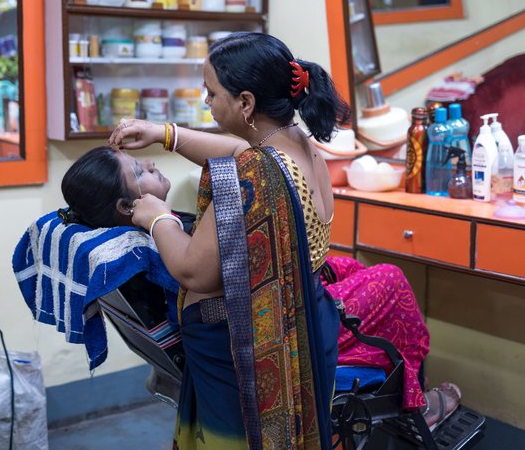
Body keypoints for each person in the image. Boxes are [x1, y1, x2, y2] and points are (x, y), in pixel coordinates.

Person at [61, 146, 462, 433]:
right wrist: (161, 220)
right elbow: (204, 278)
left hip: (254, 307)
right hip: (269, 329)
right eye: (138, 171)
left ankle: (412, 393)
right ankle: (416, 402)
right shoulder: (161, 239)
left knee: (343, 266)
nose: (149, 163)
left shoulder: (138, 239)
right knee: (389, 278)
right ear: (128, 207)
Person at [106, 31, 351, 449]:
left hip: (243, 348)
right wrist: (165, 133)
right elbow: (239, 151)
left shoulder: (253, 175)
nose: (207, 102)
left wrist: (158, 219)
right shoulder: (299, 146)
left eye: (212, 92)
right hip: (310, 318)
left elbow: (192, 271)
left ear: (246, 103)